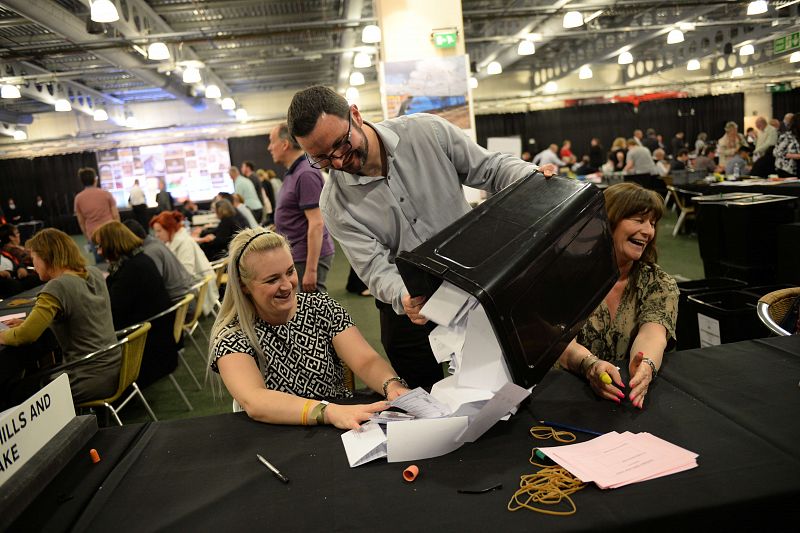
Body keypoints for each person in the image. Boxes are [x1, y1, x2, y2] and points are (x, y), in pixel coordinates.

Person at [287, 85, 553, 390]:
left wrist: (532, 178)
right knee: (425, 401)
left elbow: (491, 169)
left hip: (473, 282)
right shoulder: (334, 203)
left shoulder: (427, 133)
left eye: (341, 145)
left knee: (501, 383)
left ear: (356, 116)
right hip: (409, 307)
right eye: (321, 158)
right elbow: (374, 269)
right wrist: (402, 295)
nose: (336, 162)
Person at [210, 228, 411, 429]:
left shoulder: (321, 307)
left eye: (290, 271)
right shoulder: (232, 335)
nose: (287, 285)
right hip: (280, 432)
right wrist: (328, 412)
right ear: (243, 285)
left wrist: (391, 384)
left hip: (339, 421)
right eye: (272, 280)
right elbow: (255, 401)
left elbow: (365, 360)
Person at [557, 183, 678, 409]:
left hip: (625, 399)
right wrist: (590, 365)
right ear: (607, 220)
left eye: (652, 223)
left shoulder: (657, 282)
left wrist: (646, 365)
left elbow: (653, 334)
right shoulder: (564, 278)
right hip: (565, 397)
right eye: (639, 220)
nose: (648, 231)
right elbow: (559, 345)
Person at [0, 229, 120, 405]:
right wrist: (30, 322)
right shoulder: (94, 273)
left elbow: (25, 335)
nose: (33, 264)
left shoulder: (57, 287)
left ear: (46, 257)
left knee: (13, 391)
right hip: (113, 368)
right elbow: (81, 314)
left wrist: (2, 335)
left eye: (34, 258)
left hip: (85, 377)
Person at [93, 222, 178, 388]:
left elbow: (112, 314)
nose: (99, 252)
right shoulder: (141, 260)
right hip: (161, 344)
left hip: (147, 354)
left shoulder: (130, 270)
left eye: (100, 246)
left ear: (112, 245)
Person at [268, 122, 336, 293]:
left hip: (307, 256)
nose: (269, 148)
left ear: (285, 144)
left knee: (313, 305)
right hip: (299, 254)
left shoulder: (305, 173)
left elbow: (317, 223)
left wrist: (311, 270)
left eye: (272, 142)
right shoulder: (296, 171)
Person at [150, 210, 219, 315]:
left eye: (159, 231)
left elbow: (186, 273)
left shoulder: (184, 243)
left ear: (170, 229)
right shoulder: (172, 242)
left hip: (195, 289)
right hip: (190, 286)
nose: (157, 235)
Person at [123, 219, 193, 302]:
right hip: (186, 296)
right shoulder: (156, 243)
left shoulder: (149, 252)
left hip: (179, 301)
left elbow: (155, 285)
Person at [74, 167, 120, 264]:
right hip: (110, 232)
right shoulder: (106, 194)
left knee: (100, 263)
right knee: (116, 259)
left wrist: (87, 236)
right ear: (95, 179)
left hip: (93, 234)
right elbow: (115, 215)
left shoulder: (78, 198)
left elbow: (81, 221)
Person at [0, 223, 41, 291]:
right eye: (17, 233)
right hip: (24, 272)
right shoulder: (13, 250)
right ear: (11, 237)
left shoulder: (16, 247)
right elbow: (26, 259)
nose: (19, 234)